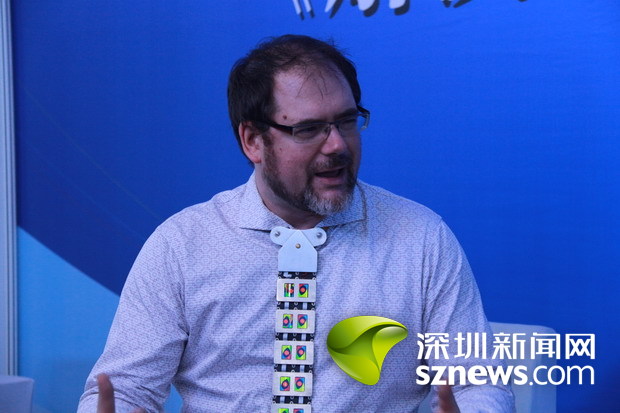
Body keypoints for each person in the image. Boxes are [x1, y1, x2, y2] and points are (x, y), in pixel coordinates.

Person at [78, 34, 514, 412]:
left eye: (347, 121)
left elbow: (476, 380)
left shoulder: (420, 237)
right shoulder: (182, 244)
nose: (337, 145)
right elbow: (125, 388)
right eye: (308, 129)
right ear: (253, 140)